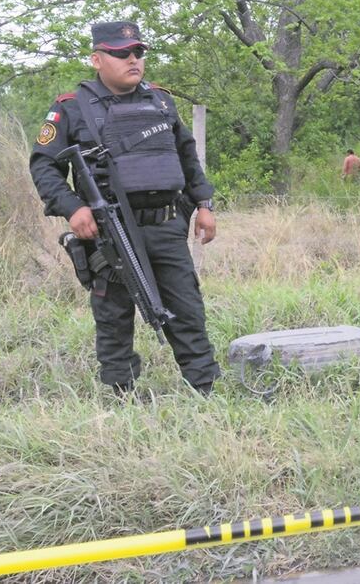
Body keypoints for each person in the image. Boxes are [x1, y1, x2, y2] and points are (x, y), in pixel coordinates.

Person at [29, 21, 221, 396]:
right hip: (109, 230)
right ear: (97, 59)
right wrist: (73, 208)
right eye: (122, 53)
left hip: (167, 225)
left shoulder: (161, 101)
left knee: (187, 309)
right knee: (114, 315)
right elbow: (43, 164)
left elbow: (186, 155)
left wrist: (204, 204)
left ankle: (204, 389)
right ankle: (121, 394)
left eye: (138, 53)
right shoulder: (72, 107)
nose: (133, 59)